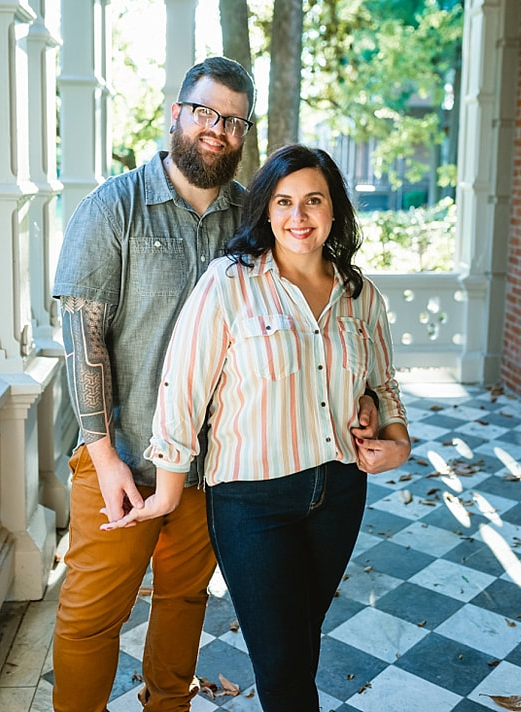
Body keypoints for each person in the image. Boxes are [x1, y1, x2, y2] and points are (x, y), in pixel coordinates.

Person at [52, 58, 378, 712]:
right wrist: (106, 454)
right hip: (120, 457)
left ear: (243, 133)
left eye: (232, 120)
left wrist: (361, 396)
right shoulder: (113, 208)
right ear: (177, 114)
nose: (217, 129)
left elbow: (312, 317)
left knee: (182, 605)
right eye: (205, 112)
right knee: (92, 616)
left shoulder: (253, 220)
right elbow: (80, 334)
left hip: (215, 468)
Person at [104, 144, 411, 712]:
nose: (299, 216)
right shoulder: (229, 283)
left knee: (297, 647)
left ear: (335, 210)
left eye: (313, 200)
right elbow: (183, 387)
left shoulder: (359, 294)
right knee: (284, 667)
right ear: (266, 213)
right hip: (251, 501)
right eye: (284, 202)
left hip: (340, 491)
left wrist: (397, 440)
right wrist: (168, 490)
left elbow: (382, 383)